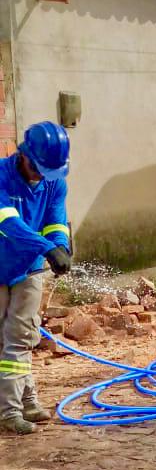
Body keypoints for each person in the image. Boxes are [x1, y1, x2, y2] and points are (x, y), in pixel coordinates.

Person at [0, 122, 72, 434]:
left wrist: (61, 246)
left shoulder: (55, 181)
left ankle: (24, 403)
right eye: (38, 168)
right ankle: (9, 412)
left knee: (22, 337)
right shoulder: (2, 176)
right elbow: (10, 225)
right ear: (23, 155)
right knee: (5, 341)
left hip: (28, 269)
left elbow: (56, 219)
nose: (41, 175)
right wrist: (47, 248)